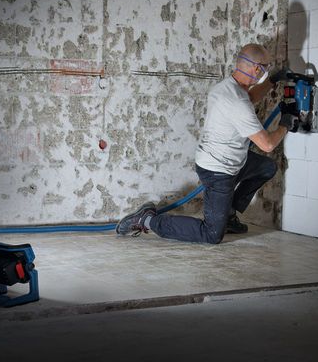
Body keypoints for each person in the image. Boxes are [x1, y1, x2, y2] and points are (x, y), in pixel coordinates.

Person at [116, 43, 298, 244]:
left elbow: (251, 97)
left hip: (233, 161)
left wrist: (273, 79)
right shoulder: (236, 102)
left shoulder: (229, 87)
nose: (266, 71)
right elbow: (267, 145)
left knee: (266, 167)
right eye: (266, 68)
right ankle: (147, 220)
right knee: (211, 235)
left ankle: (227, 214)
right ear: (256, 69)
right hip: (218, 171)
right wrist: (285, 125)